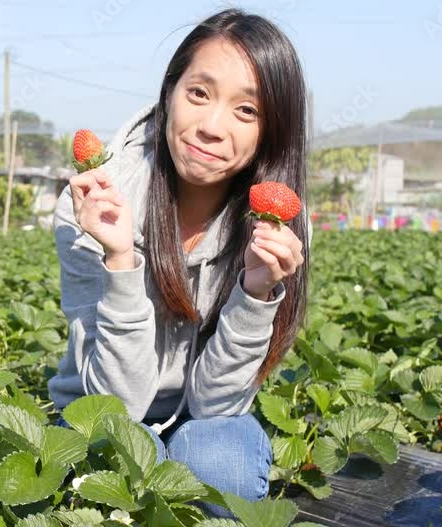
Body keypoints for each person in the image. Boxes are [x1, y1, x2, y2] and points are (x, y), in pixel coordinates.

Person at [47, 9, 310, 518]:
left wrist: (255, 294)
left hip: (207, 417)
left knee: (221, 466)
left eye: (246, 111)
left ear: (272, 129)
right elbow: (115, 408)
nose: (211, 127)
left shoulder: (276, 225)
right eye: (199, 93)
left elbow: (216, 407)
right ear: (170, 92)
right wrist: (121, 259)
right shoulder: (92, 204)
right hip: (104, 408)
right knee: (114, 458)